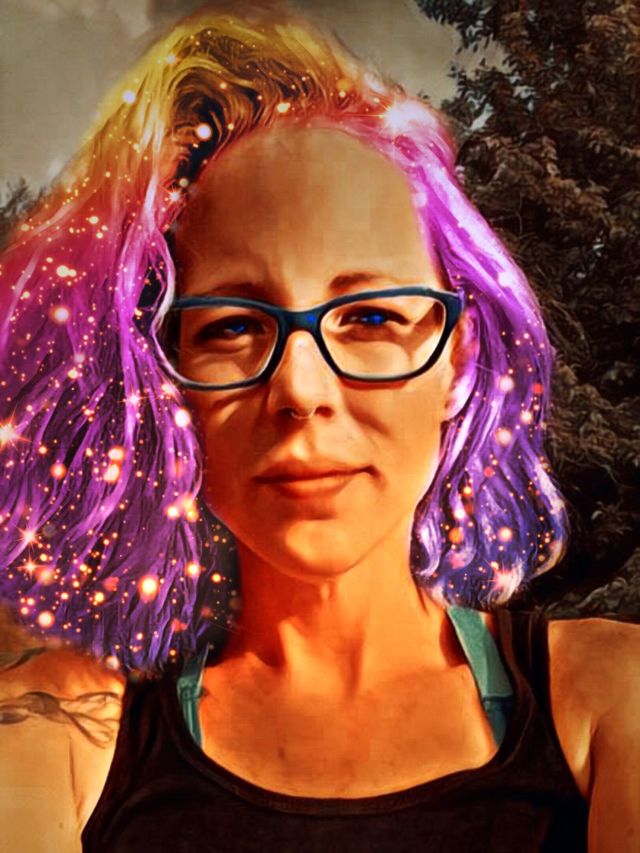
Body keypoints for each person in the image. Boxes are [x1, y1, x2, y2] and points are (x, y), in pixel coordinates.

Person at [0, 2, 638, 851]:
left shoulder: (610, 698)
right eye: (232, 325)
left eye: (370, 317)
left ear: (457, 360)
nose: (301, 389)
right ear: (165, 379)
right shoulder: (66, 730)